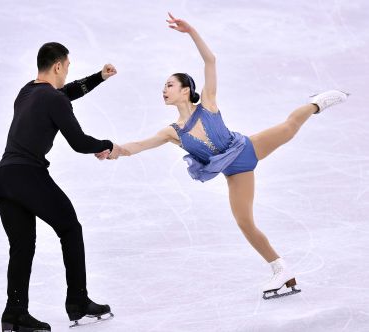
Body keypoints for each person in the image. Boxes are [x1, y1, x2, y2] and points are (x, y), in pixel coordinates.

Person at [96, 13, 349, 300]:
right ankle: (281, 269)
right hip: (235, 172)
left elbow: (210, 61)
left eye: (169, 85)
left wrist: (191, 31)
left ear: (186, 90)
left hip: (247, 148)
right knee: (244, 222)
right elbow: (138, 146)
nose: (163, 90)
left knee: (290, 127)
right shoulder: (173, 132)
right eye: (163, 86)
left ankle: (318, 102)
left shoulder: (209, 102)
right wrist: (113, 150)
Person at [0, 42, 125, 331]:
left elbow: (66, 93)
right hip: (28, 175)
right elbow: (79, 142)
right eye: (66, 68)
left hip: (3, 178)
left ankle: (14, 314)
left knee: (22, 246)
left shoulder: (26, 91)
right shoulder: (54, 99)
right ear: (58, 66)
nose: (67, 74)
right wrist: (108, 146)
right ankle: (77, 300)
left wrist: (98, 77)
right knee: (70, 228)